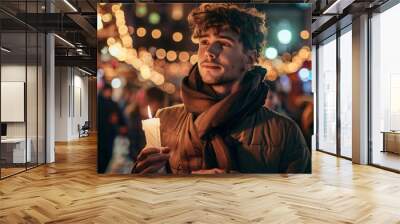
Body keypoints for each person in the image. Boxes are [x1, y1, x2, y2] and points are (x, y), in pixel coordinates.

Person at [132, 3, 310, 174]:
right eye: (204, 42)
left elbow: (298, 201)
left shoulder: (284, 132)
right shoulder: (165, 120)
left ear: (250, 58)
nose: (210, 52)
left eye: (224, 43)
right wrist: (143, 175)